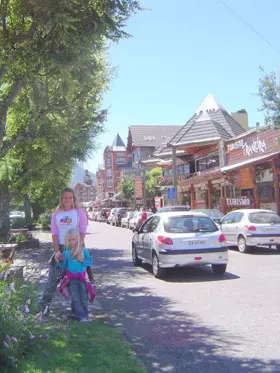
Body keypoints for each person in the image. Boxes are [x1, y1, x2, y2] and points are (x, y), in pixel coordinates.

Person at [38, 187, 88, 317]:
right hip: (60, 248)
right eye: (65, 197)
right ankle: (43, 307)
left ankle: (78, 311)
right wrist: (56, 251)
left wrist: (78, 248)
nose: (68, 200)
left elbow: (82, 232)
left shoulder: (79, 213)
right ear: (61, 198)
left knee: (76, 281)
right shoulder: (56, 214)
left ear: (73, 199)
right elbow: (54, 234)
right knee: (52, 280)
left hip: (75, 248)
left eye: (70, 197)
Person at [58, 229, 96, 322]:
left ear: (78, 239)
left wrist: (82, 260)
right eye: (69, 240)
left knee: (83, 297)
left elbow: (90, 262)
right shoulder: (66, 252)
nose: (71, 242)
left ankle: (85, 314)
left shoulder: (83, 251)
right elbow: (64, 266)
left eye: (73, 239)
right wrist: (60, 261)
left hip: (83, 278)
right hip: (71, 279)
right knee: (75, 298)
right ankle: (80, 315)